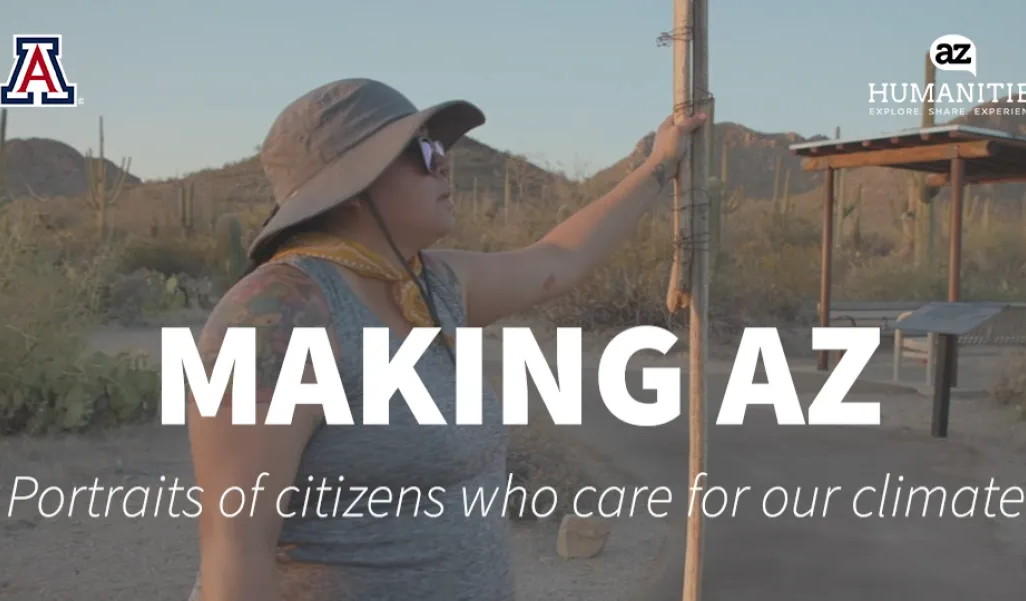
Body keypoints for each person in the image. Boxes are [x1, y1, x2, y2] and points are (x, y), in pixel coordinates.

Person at [186, 78, 706, 601]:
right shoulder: (275, 314)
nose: (443, 162)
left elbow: (559, 261)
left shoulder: (433, 286)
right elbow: (236, 554)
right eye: (421, 150)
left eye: (442, 148)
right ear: (350, 184)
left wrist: (659, 165)